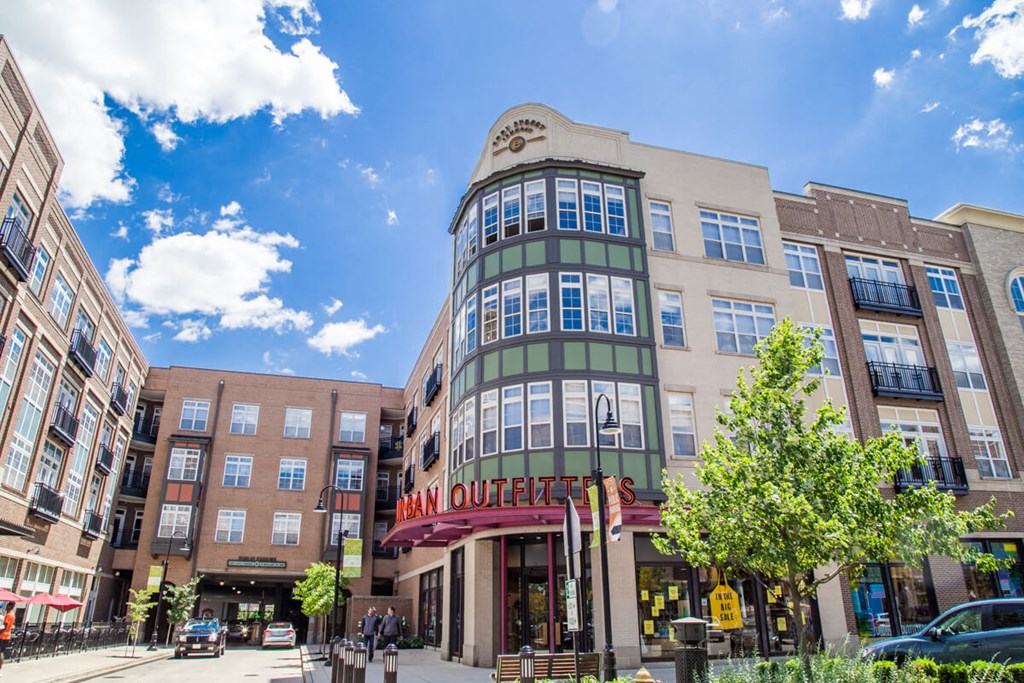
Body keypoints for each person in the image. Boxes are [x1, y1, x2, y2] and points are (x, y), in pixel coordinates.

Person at [0, 601, 15, 677]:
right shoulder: (13, 614)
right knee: (1, 652)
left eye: (7, 605)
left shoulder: (9, 615)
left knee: (0, 653)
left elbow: (5, 627)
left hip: (2, 636)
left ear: (10, 606)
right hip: (7, 636)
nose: (6, 607)